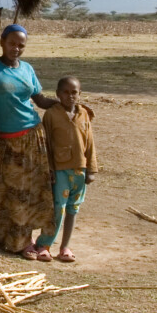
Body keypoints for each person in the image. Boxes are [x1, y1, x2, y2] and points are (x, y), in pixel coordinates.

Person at [0, 24, 58, 257]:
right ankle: (11, 238)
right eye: (12, 43)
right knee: (8, 191)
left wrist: (64, 104)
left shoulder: (26, 69)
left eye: (21, 45)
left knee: (33, 190)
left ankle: (31, 240)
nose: (16, 48)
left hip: (33, 136)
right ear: (2, 43)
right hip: (5, 142)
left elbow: (40, 100)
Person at [35, 75, 97, 263]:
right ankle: (44, 244)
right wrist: (50, 169)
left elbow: (90, 142)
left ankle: (65, 247)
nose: (70, 96)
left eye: (74, 92)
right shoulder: (52, 114)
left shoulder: (84, 114)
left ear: (80, 94)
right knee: (57, 208)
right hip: (60, 170)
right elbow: (47, 144)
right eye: (66, 92)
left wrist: (91, 168)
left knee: (73, 208)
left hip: (80, 168)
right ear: (58, 94)